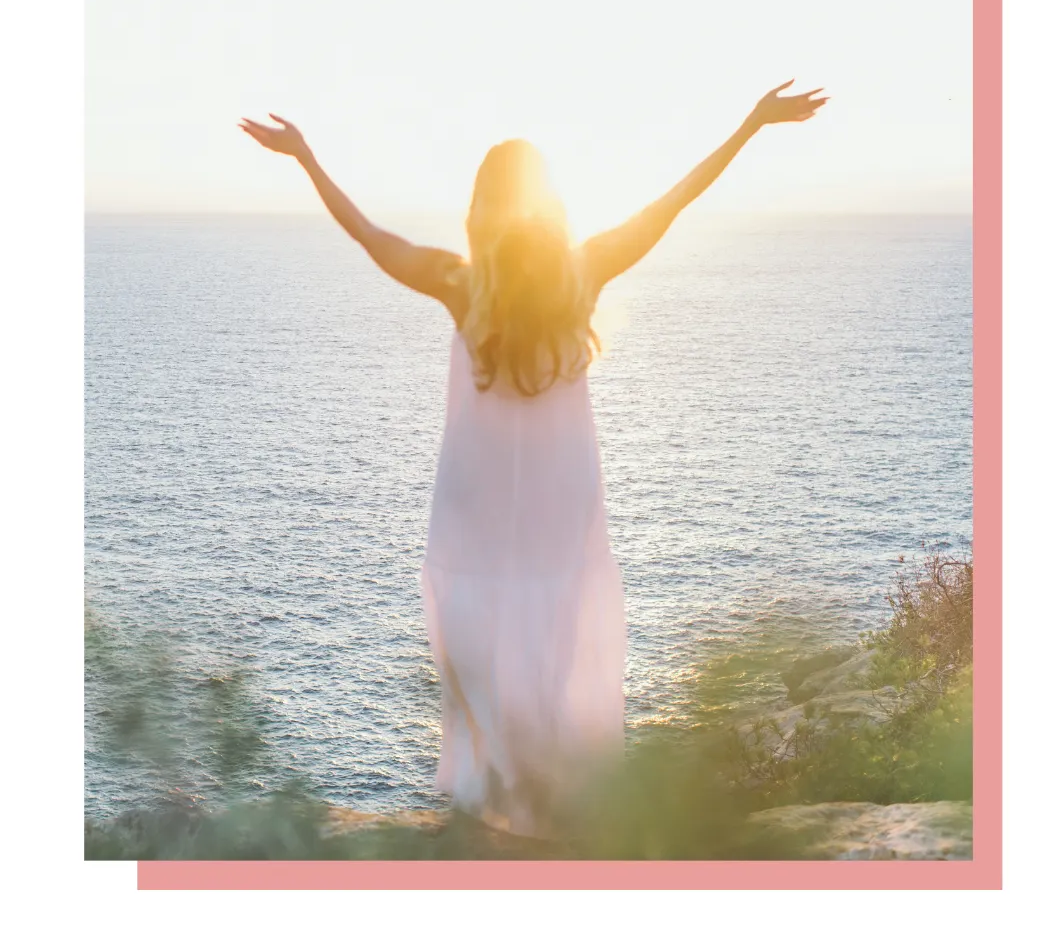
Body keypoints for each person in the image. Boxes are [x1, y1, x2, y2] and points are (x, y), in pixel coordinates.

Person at [239, 79, 828, 836]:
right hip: (559, 502)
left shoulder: (460, 284)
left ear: (479, 209)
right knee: (560, 631)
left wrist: (307, 159)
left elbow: (366, 233)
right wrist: (750, 124)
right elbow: (673, 201)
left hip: (475, 508)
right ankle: (557, 803)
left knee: (483, 636)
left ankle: (492, 795)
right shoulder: (581, 273)